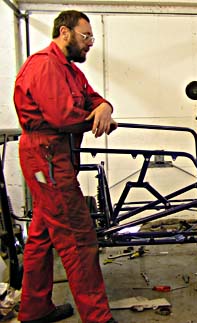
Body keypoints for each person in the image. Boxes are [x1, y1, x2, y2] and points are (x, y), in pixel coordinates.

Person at [14, 10, 118, 323]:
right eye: (85, 37)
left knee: (42, 236)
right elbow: (62, 116)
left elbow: (92, 98)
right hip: (46, 155)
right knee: (78, 237)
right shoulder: (45, 65)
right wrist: (101, 118)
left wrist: (104, 106)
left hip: (55, 155)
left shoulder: (70, 70)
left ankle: (34, 309)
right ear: (64, 32)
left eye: (92, 38)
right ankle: (97, 318)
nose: (90, 43)